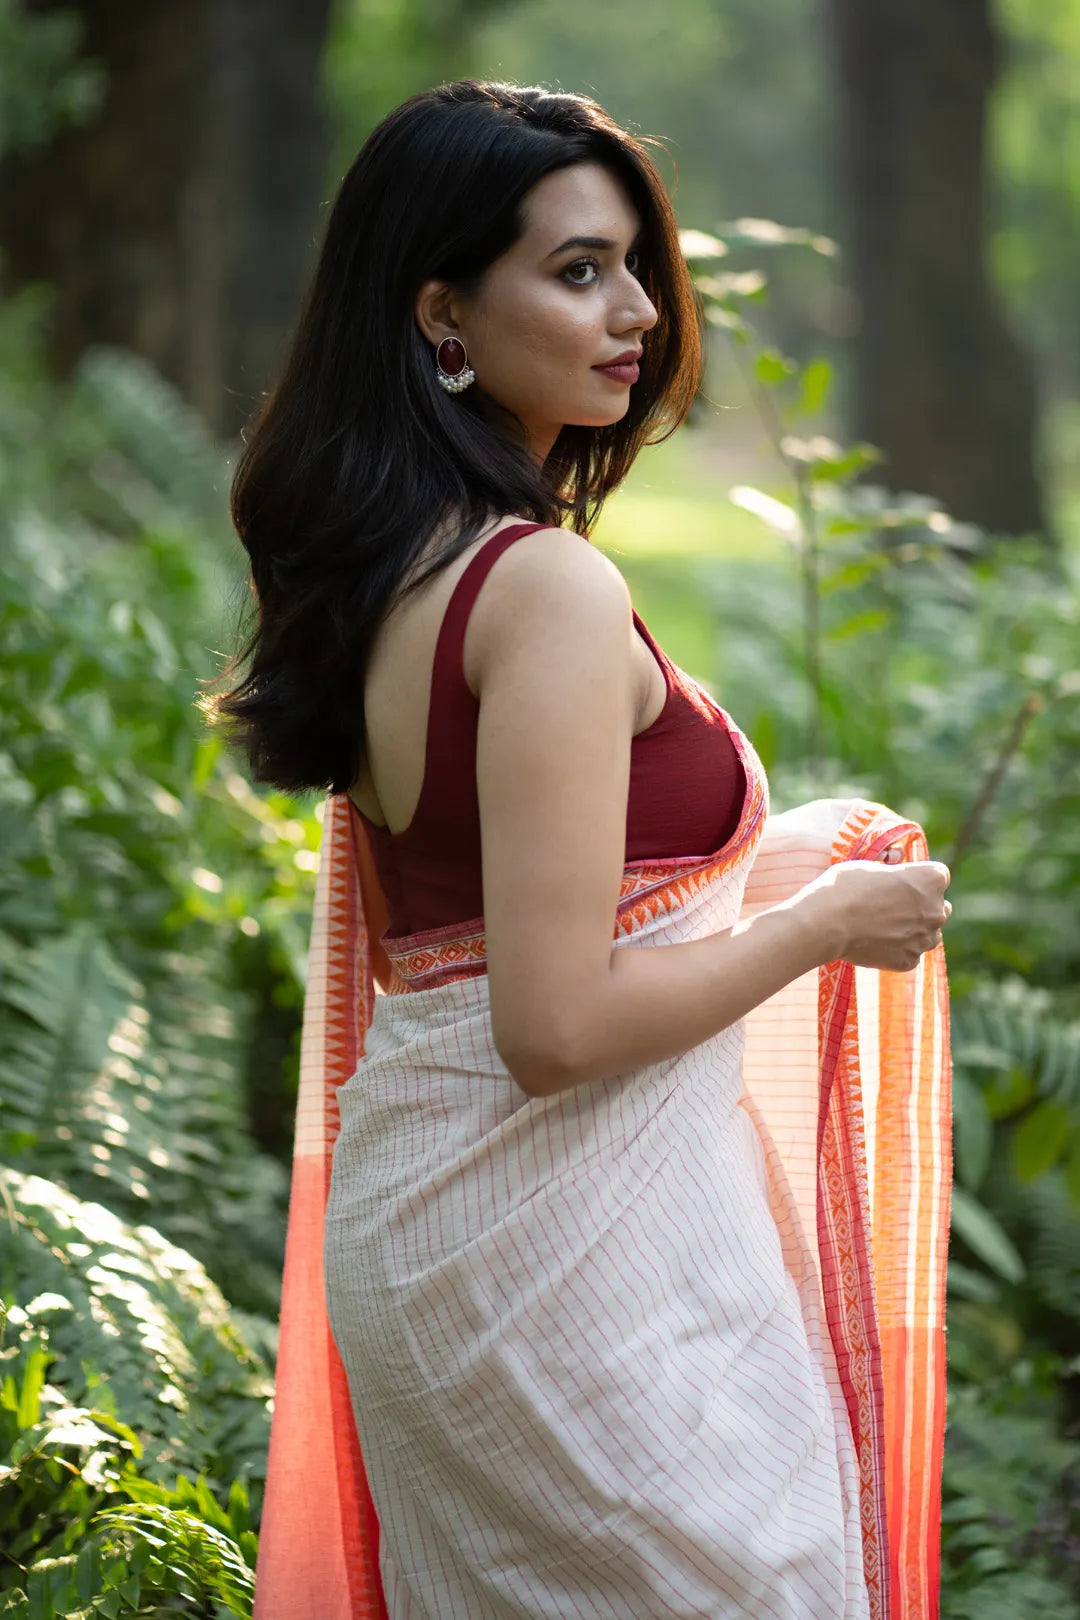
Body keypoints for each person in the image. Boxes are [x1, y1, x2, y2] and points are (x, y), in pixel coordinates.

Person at [213, 78, 952, 1620]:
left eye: (631, 264)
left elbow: (517, 911)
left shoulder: (397, 561)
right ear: (442, 316)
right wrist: (828, 927)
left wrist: (786, 865)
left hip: (462, 1235)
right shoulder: (534, 590)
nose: (636, 310)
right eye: (574, 271)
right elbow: (551, 1026)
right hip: (554, 1267)